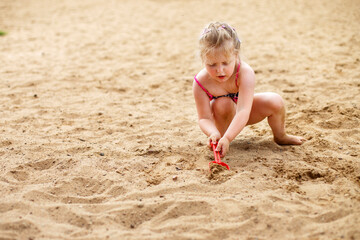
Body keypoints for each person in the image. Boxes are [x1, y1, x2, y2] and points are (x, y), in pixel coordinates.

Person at [193, 22, 305, 158]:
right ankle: (220, 141)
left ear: (236, 55)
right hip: (222, 118)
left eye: (225, 63)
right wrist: (213, 133)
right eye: (212, 64)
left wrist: (229, 137)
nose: (219, 70)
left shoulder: (244, 72)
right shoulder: (201, 82)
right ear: (203, 60)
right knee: (223, 103)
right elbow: (204, 118)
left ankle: (280, 136)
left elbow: (243, 111)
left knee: (275, 100)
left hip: (245, 112)